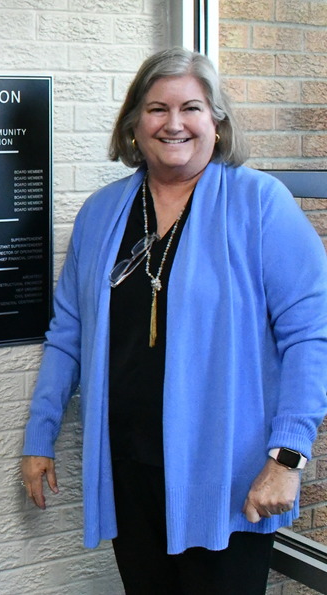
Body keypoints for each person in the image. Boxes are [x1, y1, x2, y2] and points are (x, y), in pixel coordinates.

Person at [20, 47, 327, 593]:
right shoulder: (102, 213)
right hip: (130, 469)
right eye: (158, 108)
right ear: (135, 123)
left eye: (192, 107)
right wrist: (39, 437)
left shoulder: (260, 204)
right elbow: (68, 335)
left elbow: (311, 336)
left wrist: (288, 457)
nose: (175, 123)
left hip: (230, 478)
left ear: (217, 121)